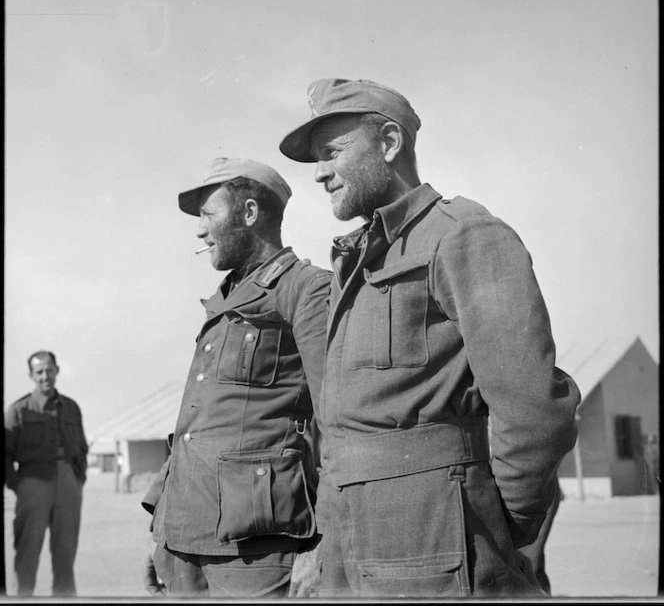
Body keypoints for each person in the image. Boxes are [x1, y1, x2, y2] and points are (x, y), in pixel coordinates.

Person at [278, 77, 582, 598]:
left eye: (331, 153)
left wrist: (499, 528)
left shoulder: (463, 234)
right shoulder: (356, 260)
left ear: (390, 143)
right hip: (350, 553)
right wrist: (324, 543)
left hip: (439, 552)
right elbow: (342, 429)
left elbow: (534, 409)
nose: (320, 173)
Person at [140, 157, 331, 598]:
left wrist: (327, 543)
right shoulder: (222, 302)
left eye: (209, 214)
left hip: (258, 553)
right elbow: (199, 427)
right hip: (184, 545)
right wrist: (163, 534)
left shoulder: (306, 288)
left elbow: (337, 423)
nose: (200, 230)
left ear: (249, 213)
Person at [4, 350, 88, 597]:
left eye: (49, 370)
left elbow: (82, 447)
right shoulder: (18, 410)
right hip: (32, 483)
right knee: (27, 552)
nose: (45, 376)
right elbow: (5, 453)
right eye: (39, 372)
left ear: (57, 370)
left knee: (65, 552)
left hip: (68, 484)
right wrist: (17, 485)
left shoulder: (71, 407)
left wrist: (77, 479)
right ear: (31, 375)